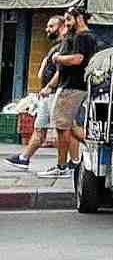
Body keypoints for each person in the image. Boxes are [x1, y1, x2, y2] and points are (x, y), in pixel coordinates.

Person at [5, 16, 66, 172]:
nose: (47, 29)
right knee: (40, 128)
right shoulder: (56, 47)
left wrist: (50, 87)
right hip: (47, 95)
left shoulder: (64, 46)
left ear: (61, 27)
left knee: (64, 130)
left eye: (51, 26)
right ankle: (24, 158)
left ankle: (66, 164)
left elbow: (62, 72)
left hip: (55, 94)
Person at [45, 7, 98, 180]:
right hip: (68, 86)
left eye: (69, 19)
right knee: (72, 127)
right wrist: (51, 86)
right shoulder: (76, 37)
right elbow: (63, 70)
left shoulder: (84, 37)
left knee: (62, 128)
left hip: (73, 88)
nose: (66, 24)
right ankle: (94, 150)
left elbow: (78, 59)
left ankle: (62, 166)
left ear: (79, 18)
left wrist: (57, 58)